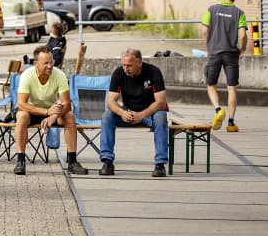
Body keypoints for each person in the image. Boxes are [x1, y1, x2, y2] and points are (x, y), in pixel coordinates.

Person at [13, 46, 89, 176]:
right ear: (36, 64)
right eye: (46, 63)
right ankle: (20, 160)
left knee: (69, 116)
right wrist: (47, 112)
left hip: (53, 111)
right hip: (33, 111)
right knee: (21, 116)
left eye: (51, 62)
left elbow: (66, 104)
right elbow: (21, 104)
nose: (50, 66)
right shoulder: (27, 75)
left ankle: (72, 161)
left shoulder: (59, 75)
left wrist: (53, 116)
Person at [99, 49, 169, 177]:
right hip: (129, 113)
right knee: (107, 115)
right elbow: (110, 101)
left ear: (139, 62)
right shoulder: (119, 73)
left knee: (161, 117)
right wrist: (121, 113)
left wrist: (141, 115)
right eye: (124, 65)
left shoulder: (154, 72)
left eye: (129, 65)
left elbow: (161, 102)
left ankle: (160, 164)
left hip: (150, 113)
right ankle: (107, 161)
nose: (126, 68)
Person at [201, 0, 247, 132]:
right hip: (232, 54)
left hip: (214, 52)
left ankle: (218, 110)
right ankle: (231, 123)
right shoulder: (239, 13)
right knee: (232, 88)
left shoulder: (212, 9)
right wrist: (243, 48)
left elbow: (204, 31)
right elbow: (243, 35)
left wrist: (209, 47)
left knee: (211, 85)